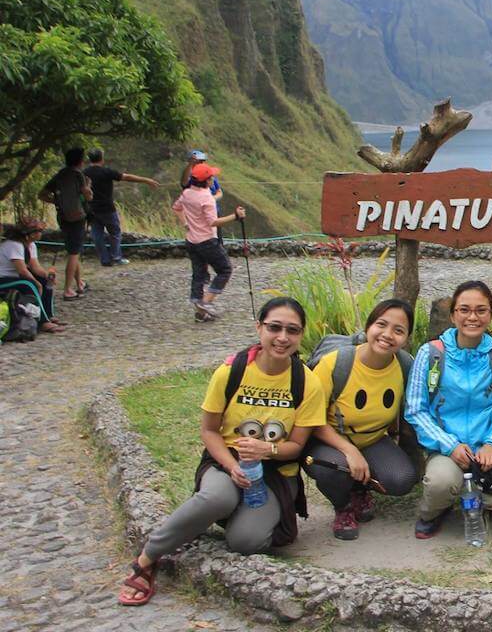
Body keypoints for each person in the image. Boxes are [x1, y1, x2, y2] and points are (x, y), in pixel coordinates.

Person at [116, 297, 326, 606]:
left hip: (275, 472)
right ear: (259, 328)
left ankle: (226, 514)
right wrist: (231, 467)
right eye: (274, 327)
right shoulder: (231, 372)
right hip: (226, 460)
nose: (282, 338)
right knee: (218, 496)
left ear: (301, 334)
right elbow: (209, 431)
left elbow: (295, 446)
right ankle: (147, 559)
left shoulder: (306, 382)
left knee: (246, 541)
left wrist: (265, 449)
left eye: (292, 330)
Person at [405, 280, 492, 539]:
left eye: (481, 310)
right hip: (447, 442)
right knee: (440, 484)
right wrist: (449, 445)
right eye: (464, 310)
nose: (472, 317)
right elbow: (416, 409)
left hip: (488, 441)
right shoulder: (431, 355)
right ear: (453, 315)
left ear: (491, 314)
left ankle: (485, 500)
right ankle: (434, 511)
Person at [304, 299, 421, 540]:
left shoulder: (404, 365)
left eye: (398, 330)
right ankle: (343, 506)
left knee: (402, 480)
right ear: (368, 327)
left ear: (406, 338)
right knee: (332, 470)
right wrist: (348, 450)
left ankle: (359, 487)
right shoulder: (336, 363)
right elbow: (311, 418)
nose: (388, 335)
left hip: (373, 438)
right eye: (381, 324)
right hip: (329, 439)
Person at [172, 163, 245, 320]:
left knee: (199, 274)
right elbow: (213, 222)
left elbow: (176, 208)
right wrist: (235, 216)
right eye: (211, 177)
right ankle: (205, 302)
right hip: (207, 241)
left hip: (191, 241)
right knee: (225, 269)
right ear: (207, 181)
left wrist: (186, 223)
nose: (213, 179)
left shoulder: (187, 193)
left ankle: (200, 313)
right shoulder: (207, 198)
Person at [84, 148, 160, 266]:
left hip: (91, 209)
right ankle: (116, 257)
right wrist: (146, 180)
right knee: (115, 232)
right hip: (107, 208)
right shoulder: (106, 172)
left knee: (97, 234)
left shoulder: (84, 173)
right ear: (102, 158)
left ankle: (104, 260)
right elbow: (127, 177)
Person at [38, 147, 92, 300]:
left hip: (62, 216)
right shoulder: (78, 175)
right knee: (74, 253)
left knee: (73, 249)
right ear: (80, 161)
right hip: (77, 217)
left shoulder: (60, 175)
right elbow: (87, 196)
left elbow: (41, 194)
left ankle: (79, 283)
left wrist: (57, 201)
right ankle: (68, 290)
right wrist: (88, 188)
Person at [0, 218, 65, 333]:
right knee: (29, 284)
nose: (40, 233)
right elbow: (22, 271)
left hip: (14, 277)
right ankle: (43, 321)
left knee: (46, 281)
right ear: (28, 235)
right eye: (38, 231)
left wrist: (47, 276)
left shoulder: (31, 245)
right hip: (3, 279)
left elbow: (35, 267)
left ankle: (48, 314)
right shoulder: (14, 245)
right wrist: (36, 283)